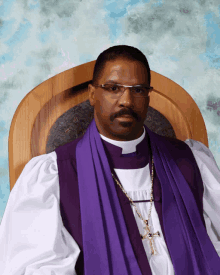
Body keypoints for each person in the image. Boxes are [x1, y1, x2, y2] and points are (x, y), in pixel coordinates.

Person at [0, 45, 220, 275]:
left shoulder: (190, 160)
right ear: (93, 94)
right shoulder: (54, 174)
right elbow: (38, 267)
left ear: (147, 97)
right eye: (113, 88)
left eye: (137, 89)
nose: (126, 100)